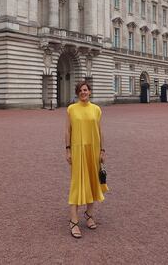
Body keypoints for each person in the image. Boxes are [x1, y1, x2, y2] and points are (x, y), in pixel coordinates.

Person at [65, 80, 108, 239]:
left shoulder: (96, 109)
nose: (83, 92)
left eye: (85, 90)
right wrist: (67, 149)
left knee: (92, 181)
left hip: (94, 149)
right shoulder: (71, 109)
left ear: (90, 92)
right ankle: (73, 220)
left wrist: (102, 150)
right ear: (77, 93)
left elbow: (100, 131)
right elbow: (68, 131)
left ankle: (89, 214)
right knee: (76, 183)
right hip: (77, 149)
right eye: (80, 90)